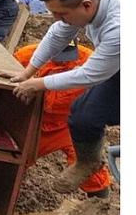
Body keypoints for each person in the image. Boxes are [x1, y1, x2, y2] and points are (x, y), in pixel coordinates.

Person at [1, 0, 119, 194]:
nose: (57, 18)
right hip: (117, 63)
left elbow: (90, 75)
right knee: (83, 115)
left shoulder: (118, 26)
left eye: (61, 14)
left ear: (86, 6)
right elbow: (58, 33)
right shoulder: (93, 0)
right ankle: (88, 162)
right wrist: (27, 73)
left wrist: (38, 83)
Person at [13, 41, 112, 198]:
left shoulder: (90, 61)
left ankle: (101, 204)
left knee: (88, 164)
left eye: (68, 55)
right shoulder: (25, 56)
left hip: (68, 125)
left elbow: (106, 92)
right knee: (16, 159)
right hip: (36, 121)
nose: (63, 61)